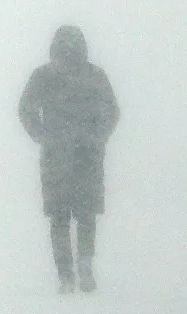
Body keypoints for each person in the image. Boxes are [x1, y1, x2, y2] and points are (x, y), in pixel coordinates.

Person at [18, 25, 120, 293]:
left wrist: (42, 136)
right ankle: (85, 264)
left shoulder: (44, 76)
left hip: (56, 157)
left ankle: (65, 276)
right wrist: (98, 136)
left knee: (59, 218)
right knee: (86, 215)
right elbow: (112, 110)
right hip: (88, 156)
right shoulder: (95, 75)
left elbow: (25, 108)